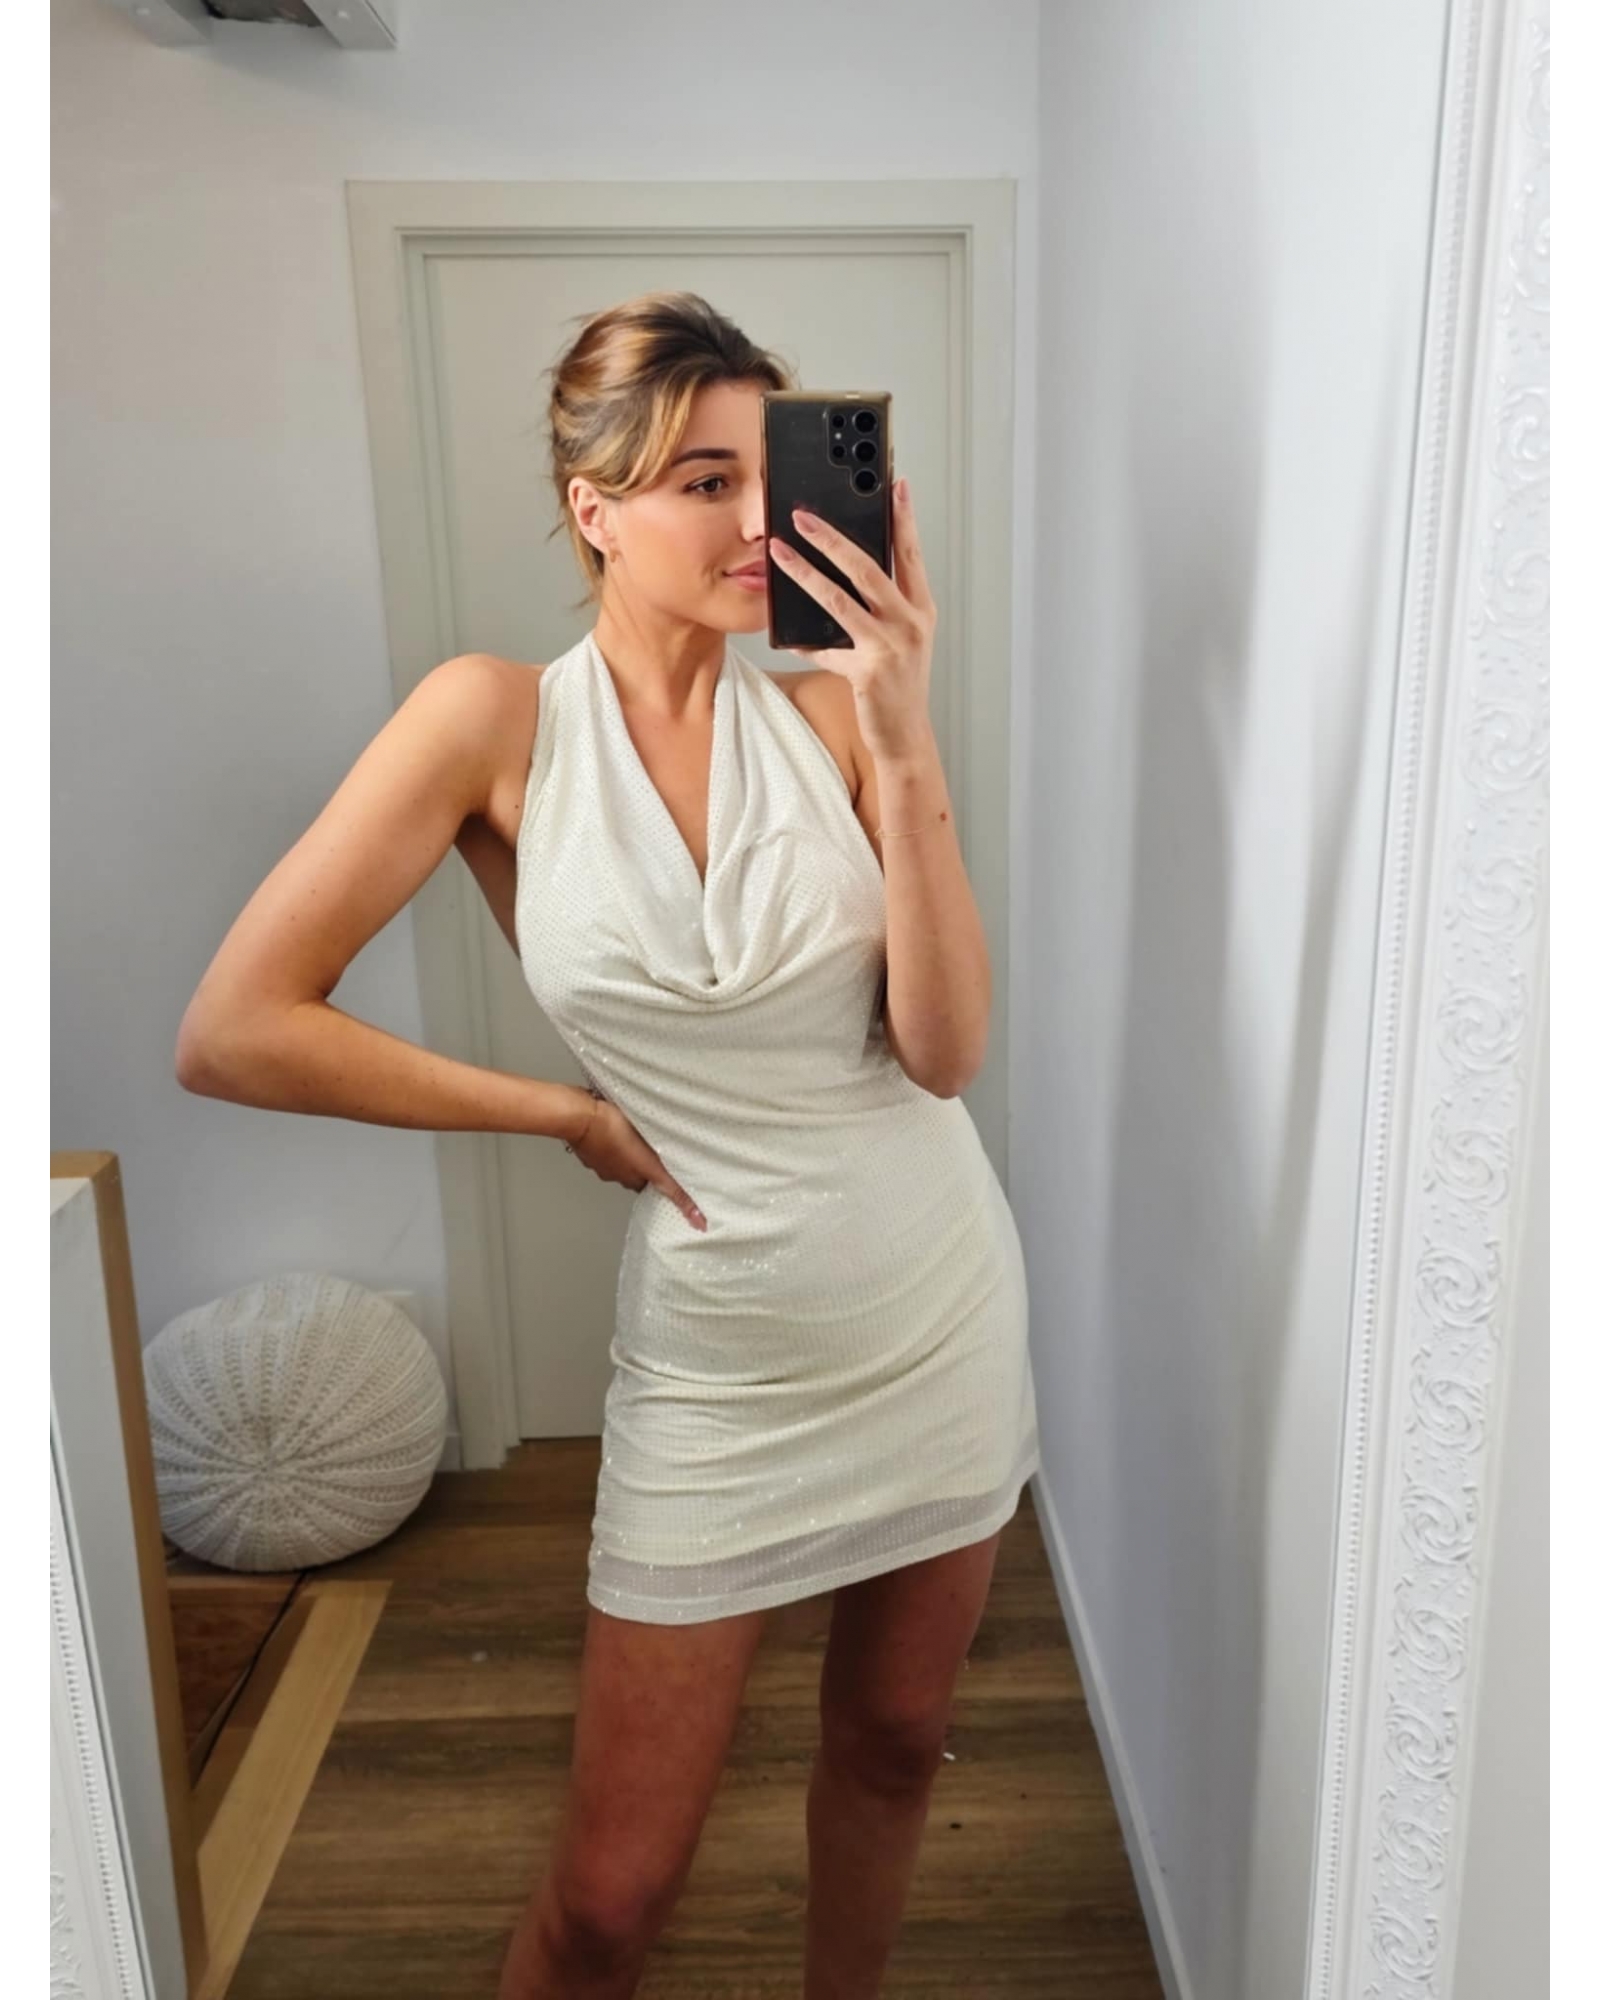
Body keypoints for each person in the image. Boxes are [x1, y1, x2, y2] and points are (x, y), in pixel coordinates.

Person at [176, 289, 1038, 2000]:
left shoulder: (831, 722)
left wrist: (900, 726)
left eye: (769, 475)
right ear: (595, 509)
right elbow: (238, 1027)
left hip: (934, 1307)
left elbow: (944, 1056)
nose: (755, 519)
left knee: (892, 1744)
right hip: (719, 1371)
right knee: (608, 1897)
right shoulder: (490, 722)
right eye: (703, 482)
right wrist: (563, 1112)